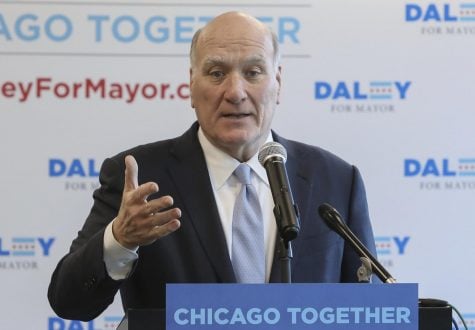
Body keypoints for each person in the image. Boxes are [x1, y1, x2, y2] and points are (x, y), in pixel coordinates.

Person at [48, 11, 378, 321]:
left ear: (278, 83)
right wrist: (119, 239)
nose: (235, 92)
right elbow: (69, 301)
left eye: (253, 72)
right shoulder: (140, 177)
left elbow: (370, 308)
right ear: (192, 85)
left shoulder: (335, 179)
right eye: (217, 73)